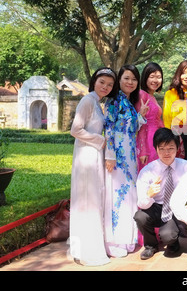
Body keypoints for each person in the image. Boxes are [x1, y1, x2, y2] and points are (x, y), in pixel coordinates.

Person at [69, 67, 118, 266]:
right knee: (88, 201)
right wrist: (99, 139)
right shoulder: (88, 101)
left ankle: (90, 247)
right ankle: (88, 251)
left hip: (94, 155)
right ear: (94, 82)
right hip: (86, 157)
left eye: (109, 84)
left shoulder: (98, 103)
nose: (105, 87)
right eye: (102, 82)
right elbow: (75, 129)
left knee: (93, 200)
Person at [104, 64, 149, 258]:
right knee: (117, 196)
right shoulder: (113, 100)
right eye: (126, 78)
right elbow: (109, 128)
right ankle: (115, 242)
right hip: (117, 156)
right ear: (119, 80)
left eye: (134, 79)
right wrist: (110, 155)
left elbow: (130, 127)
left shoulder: (129, 102)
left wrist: (141, 115)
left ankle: (128, 239)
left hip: (130, 154)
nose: (130, 82)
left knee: (129, 194)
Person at [134, 127, 187, 260]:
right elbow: (141, 204)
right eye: (161, 148)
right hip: (156, 206)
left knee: (168, 235)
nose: (166, 153)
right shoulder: (147, 171)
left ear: (177, 148)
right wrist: (149, 194)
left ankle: (173, 243)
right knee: (140, 216)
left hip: (175, 207)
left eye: (171, 148)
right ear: (156, 149)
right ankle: (151, 246)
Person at [135, 62, 165, 172]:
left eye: (158, 77)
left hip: (156, 139)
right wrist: (143, 150)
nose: (155, 80)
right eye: (152, 77)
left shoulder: (152, 96)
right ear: (145, 78)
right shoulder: (141, 94)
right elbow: (141, 123)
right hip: (147, 141)